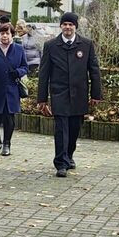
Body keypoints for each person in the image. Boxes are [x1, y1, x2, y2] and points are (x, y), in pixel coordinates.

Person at [36, 11, 102, 178]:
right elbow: (44, 74)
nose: (67, 27)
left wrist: (96, 94)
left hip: (79, 94)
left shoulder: (86, 45)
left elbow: (94, 71)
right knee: (61, 130)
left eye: (70, 24)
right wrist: (42, 99)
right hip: (59, 95)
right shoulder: (51, 45)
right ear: (60, 26)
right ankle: (60, 163)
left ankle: (69, 155)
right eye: (64, 24)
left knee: (74, 129)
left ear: (75, 27)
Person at [0, 23, 28, 156]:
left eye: (7, 33)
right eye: (2, 33)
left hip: (11, 88)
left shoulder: (18, 49)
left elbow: (25, 66)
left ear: (12, 35)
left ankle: (7, 143)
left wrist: (18, 72)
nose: (4, 36)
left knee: (9, 117)